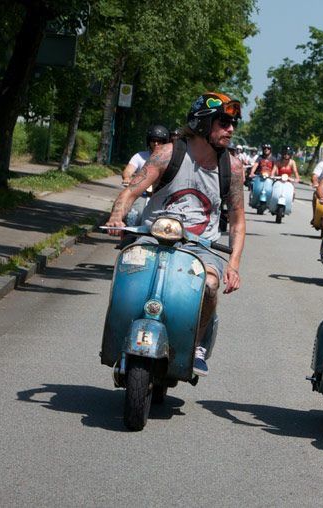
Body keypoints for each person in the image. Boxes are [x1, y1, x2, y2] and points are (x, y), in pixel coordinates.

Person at [105, 92, 246, 377]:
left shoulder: (232, 168)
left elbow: (238, 222)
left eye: (233, 123)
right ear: (203, 123)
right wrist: (117, 216)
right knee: (127, 270)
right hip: (152, 236)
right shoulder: (167, 154)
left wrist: (233, 265)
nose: (230, 129)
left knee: (208, 285)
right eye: (224, 122)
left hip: (202, 246)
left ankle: (196, 345)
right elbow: (131, 190)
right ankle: (119, 335)